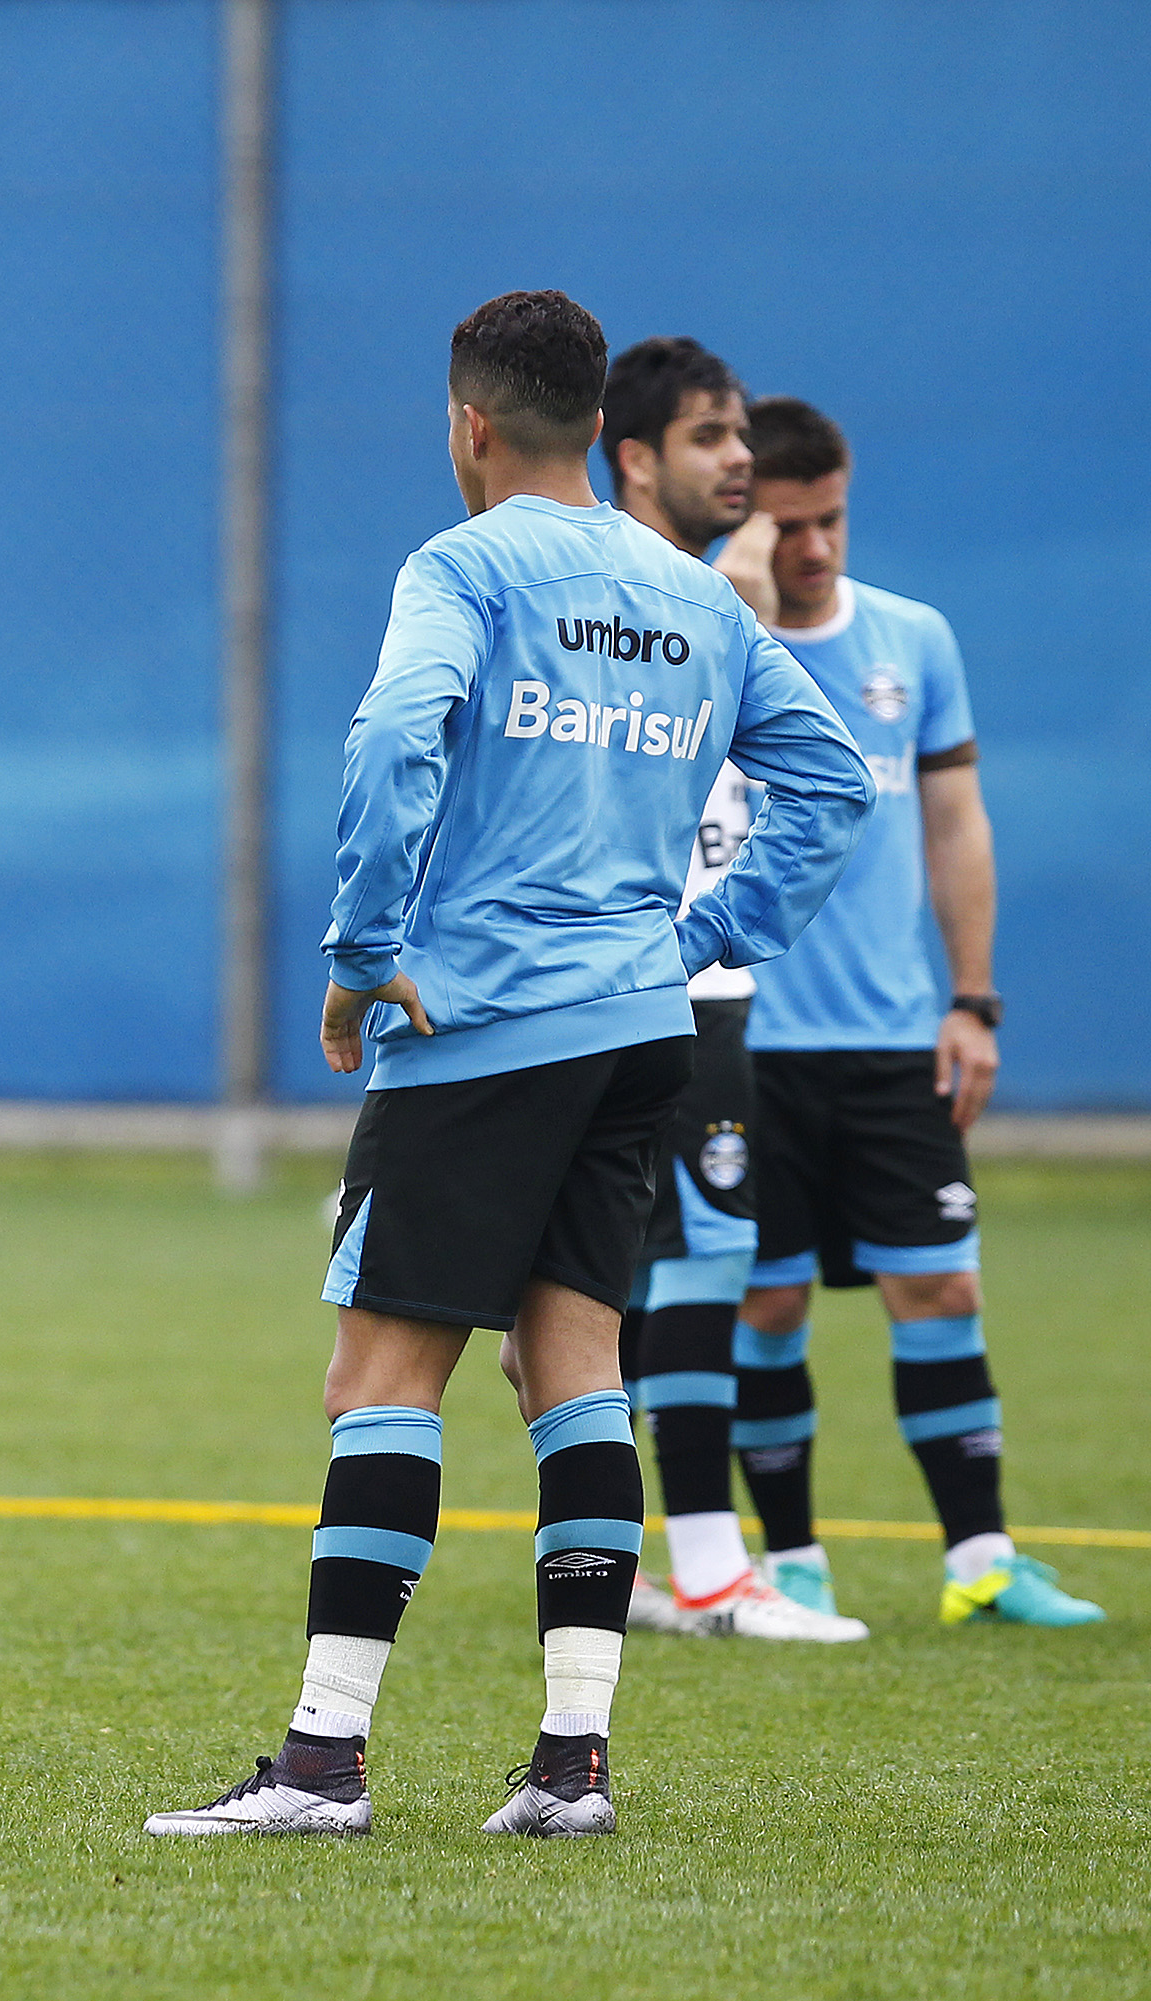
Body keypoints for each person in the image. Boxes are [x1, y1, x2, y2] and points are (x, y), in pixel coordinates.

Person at [142, 292, 869, 1840]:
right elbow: (831, 780)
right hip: (636, 1030)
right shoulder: (690, 593)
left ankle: (324, 1764)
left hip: (481, 1027)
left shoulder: (461, 565)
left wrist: (359, 955)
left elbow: (398, 734)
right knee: (573, 1364)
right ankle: (570, 1771)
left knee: (382, 1379)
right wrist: (705, 933)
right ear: (589, 420)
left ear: (469, 422)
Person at [731, 398, 1105, 1629]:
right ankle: (788, 1562)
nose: (817, 547)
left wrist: (974, 1002)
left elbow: (955, 824)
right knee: (765, 1303)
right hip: (744, 1043)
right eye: (788, 526)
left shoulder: (913, 642)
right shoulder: (703, 648)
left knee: (940, 1288)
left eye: (831, 518)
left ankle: (981, 1559)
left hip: (893, 1039)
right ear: (743, 518)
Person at [593, 338, 866, 1643]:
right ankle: (709, 1570)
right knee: (696, 1260)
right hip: (666, 987)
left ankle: (630, 1560)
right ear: (634, 457)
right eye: (712, 436)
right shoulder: (649, 594)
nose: (741, 459)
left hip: (692, 977)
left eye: (742, 433)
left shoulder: (688, 597)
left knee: (637, 1277)